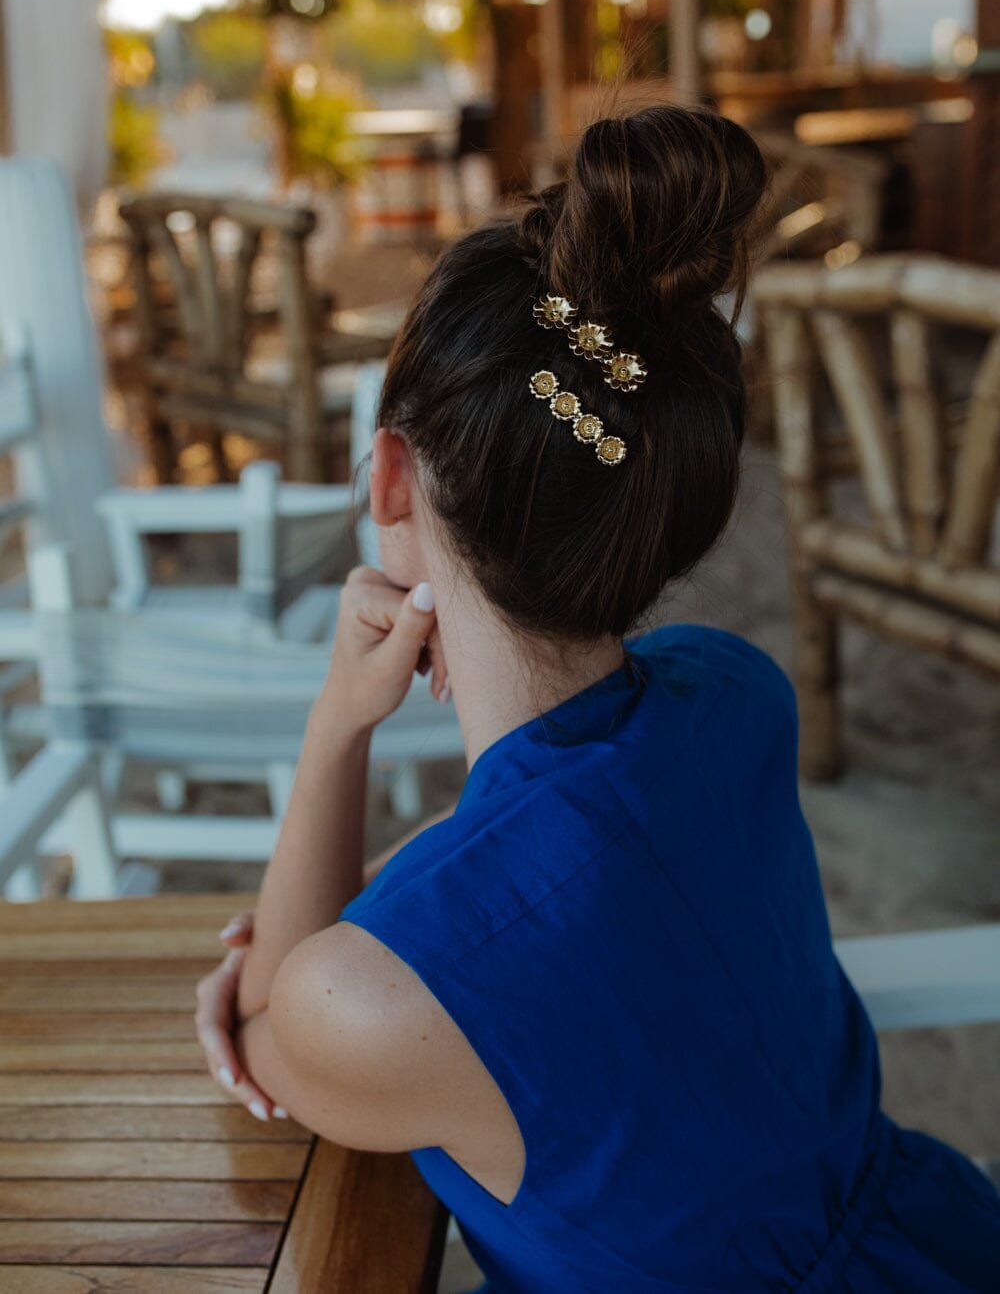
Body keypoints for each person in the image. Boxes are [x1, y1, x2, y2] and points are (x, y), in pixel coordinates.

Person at [195, 105, 1000, 1292]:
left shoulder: (379, 992)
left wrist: (337, 727)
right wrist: (322, 970)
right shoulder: (736, 694)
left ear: (390, 476)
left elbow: (271, 1034)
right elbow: (502, 882)